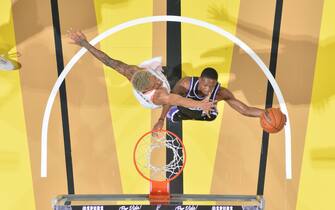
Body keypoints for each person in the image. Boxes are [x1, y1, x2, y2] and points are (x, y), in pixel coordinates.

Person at [67, 29, 214, 111]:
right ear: (150, 88)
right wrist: (201, 105)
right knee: (178, 88)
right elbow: (178, 100)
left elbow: (108, 61)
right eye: (156, 81)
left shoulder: (132, 72)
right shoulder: (159, 95)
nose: (157, 79)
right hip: (152, 101)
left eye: (153, 76)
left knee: (165, 70)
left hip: (145, 82)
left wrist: (84, 43)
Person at [153, 67, 276, 130]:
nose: (207, 89)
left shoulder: (220, 93)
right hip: (183, 109)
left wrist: (266, 114)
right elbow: (169, 99)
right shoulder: (186, 84)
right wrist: (161, 120)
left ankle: (196, 111)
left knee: (211, 114)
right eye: (205, 85)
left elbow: (245, 110)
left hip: (204, 114)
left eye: (211, 86)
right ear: (199, 80)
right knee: (171, 107)